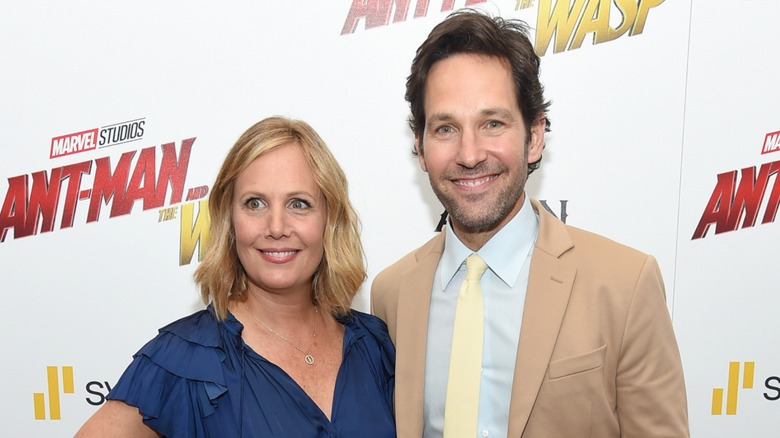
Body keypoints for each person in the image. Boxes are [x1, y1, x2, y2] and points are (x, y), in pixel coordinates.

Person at [371, 10, 689, 438]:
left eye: (493, 123)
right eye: (445, 128)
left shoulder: (623, 286)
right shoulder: (392, 294)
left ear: (535, 136)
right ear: (421, 147)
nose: (469, 154)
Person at [76, 116, 396, 437]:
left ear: (330, 218)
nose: (276, 227)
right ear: (230, 221)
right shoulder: (182, 361)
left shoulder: (376, 346)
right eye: (254, 203)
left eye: (299, 204)